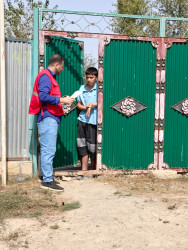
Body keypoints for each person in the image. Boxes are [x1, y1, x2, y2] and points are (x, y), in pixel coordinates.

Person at [29, 54, 74, 191]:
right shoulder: (45, 77)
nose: (62, 69)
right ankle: (47, 181)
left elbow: (49, 96)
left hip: (50, 117)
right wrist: (62, 100)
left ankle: (46, 177)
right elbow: (43, 97)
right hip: (47, 117)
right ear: (56, 65)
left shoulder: (49, 77)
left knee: (48, 149)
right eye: (62, 66)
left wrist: (61, 98)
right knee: (48, 149)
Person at [77, 67, 98, 171]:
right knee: (82, 145)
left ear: (96, 78)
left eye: (91, 77)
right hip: (82, 120)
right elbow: (78, 105)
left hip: (94, 121)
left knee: (93, 147)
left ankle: (93, 169)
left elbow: (103, 102)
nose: (89, 79)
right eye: (87, 77)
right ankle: (84, 170)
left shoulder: (99, 89)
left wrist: (92, 105)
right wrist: (86, 107)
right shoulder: (82, 88)